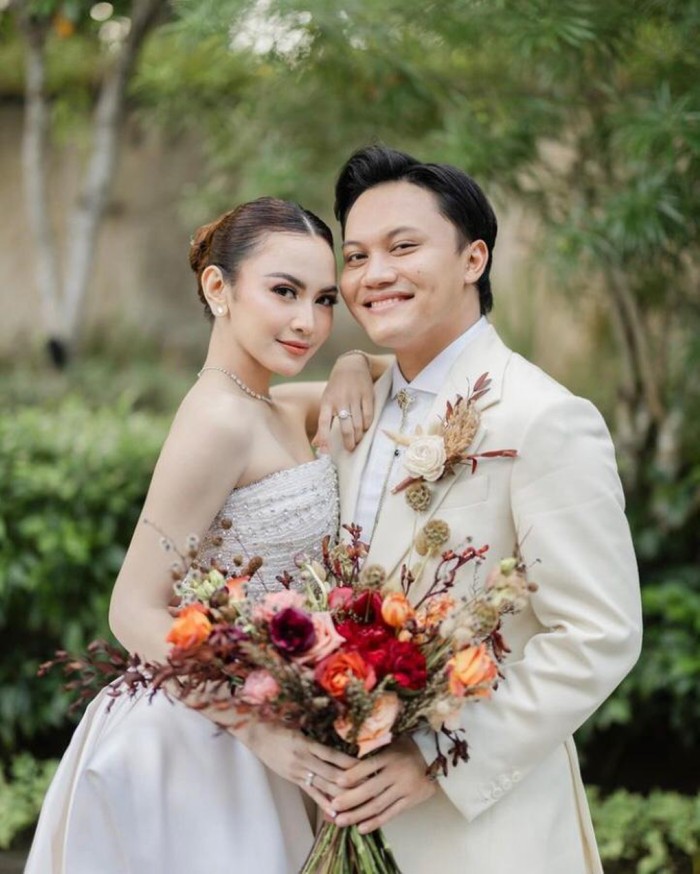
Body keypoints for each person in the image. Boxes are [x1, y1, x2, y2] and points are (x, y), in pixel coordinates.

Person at [25, 197, 385, 874]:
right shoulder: (218, 420)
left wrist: (353, 362)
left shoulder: (274, 406)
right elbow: (132, 608)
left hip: (279, 715)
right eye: (284, 292)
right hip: (201, 743)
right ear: (218, 287)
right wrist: (258, 730)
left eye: (324, 300)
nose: (308, 322)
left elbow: (399, 377)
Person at [318, 146, 643, 874]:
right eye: (357, 256)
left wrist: (438, 757)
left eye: (403, 247)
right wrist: (350, 362)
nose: (374, 273)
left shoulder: (544, 417)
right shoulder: (356, 407)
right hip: (343, 817)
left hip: (487, 832)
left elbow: (599, 633)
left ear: (474, 259)